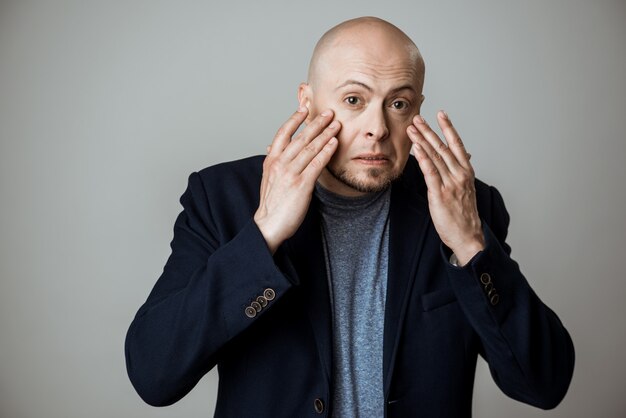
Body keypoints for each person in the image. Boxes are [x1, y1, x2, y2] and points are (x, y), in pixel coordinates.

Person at [125, 16, 574, 417]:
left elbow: (544, 385)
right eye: (355, 100)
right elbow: (154, 375)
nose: (378, 127)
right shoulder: (222, 198)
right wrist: (262, 236)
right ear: (308, 101)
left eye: (398, 104)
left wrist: (473, 248)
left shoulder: (467, 205)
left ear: (416, 109)